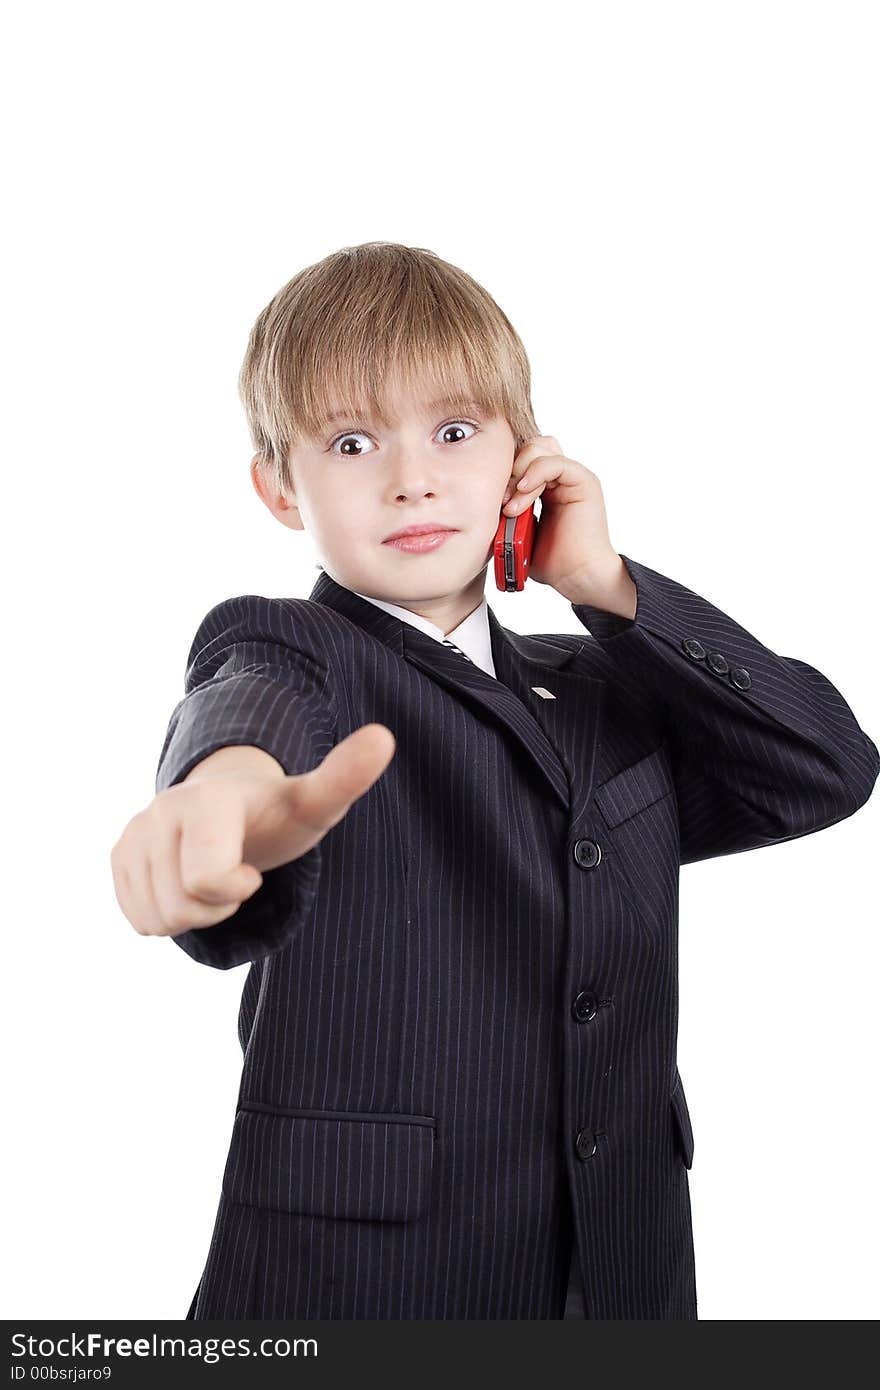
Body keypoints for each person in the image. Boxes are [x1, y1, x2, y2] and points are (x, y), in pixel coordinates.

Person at [111, 242, 879, 1320]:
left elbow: (825, 769)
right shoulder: (294, 649)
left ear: (525, 456)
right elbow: (247, 710)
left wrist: (604, 584)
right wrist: (221, 798)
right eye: (350, 440)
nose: (411, 476)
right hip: (368, 1287)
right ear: (279, 488)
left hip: (621, 1269)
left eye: (456, 431)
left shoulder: (605, 693)